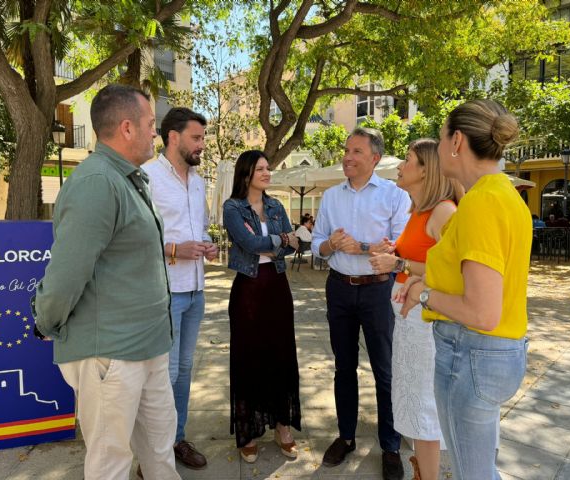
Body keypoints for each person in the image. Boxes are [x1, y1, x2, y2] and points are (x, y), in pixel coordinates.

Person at [34, 84, 180, 480]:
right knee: (110, 462)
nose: (156, 133)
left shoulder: (130, 179)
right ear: (128, 128)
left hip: (148, 346)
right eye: (151, 124)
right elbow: (65, 276)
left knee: (159, 450)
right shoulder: (97, 182)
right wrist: (45, 322)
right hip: (112, 355)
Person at [399, 99, 531, 480]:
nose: (438, 149)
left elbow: (481, 312)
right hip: (491, 354)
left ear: (457, 141)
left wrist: (423, 293)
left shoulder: (481, 203)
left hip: (472, 354)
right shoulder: (501, 195)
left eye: (441, 138)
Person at [311, 127, 411, 480]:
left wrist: (363, 247)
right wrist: (330, 246)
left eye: (356, 151)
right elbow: (317, 244)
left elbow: (401, 245)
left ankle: (390, 445)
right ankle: (346, 436)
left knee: (385, 369)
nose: (347, 157)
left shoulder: (394, 195)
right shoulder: (331, 197)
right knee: (343, 366)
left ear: (374, 158)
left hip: (377, 290)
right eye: (346, 150)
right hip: (338, 288)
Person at [369, 139, 459, 480]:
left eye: (407, 159)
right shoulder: (417, 211)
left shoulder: (444, 212)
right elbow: (422, 259)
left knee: (424, 408)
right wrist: (395, 252)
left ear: (426, 169)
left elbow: (455, 272)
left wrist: (399, 261)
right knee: (415, 407)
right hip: (409, 326)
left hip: (426, 326)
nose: (399, 166)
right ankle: (421, 471)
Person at [142, 107, 216, 470]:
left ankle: (176, 440)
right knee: (162, 376)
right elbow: (133, 239)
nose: (202, 145)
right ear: (173, 137)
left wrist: (207, 244)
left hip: (196, 290)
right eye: (197, 138)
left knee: (184, 372)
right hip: (163, 293)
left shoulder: (199, 181)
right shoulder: (147, 176)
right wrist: (174, 249)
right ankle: (151, 453)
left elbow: (197, 229)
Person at [222, 150, 301, 463]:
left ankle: (283, 426)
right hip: (249, 289)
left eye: (269, 168)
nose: (268, 173)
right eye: (262, 169)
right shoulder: (233, 207)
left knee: (281, 355)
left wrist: (281, 242)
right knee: (249, 357)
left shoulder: (276, 204)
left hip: (277, 288)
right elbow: (250, 244)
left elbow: (296, 246)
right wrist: (284, 239)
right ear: (246, 174)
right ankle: (249, 431)